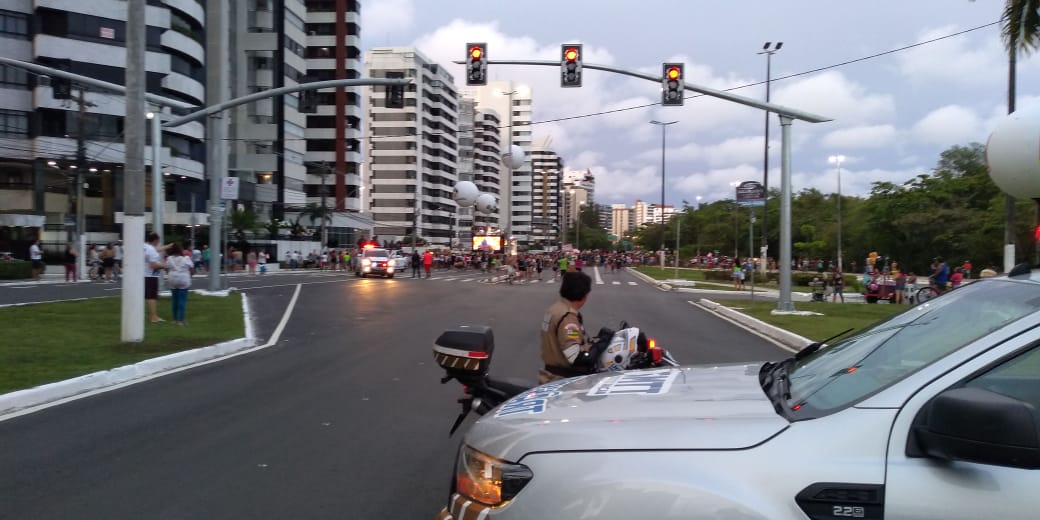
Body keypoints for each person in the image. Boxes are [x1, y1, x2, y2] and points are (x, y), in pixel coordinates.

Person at [539, 271, 594, 384]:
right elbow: (575, 356)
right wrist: (599, 348)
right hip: (564, 382)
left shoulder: (555, 309)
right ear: (584, 296)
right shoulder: (568, 318)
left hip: (550, 376)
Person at [165, 242, 193, 326]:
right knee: (182, 300)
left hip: (172, 279)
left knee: (175, 300)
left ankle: (174, 319)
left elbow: (166, 268)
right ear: (181, 249)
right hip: (183, 279)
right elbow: (191, 267)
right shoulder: (186, 258)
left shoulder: (169, 258)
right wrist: (190, 275)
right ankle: (181, 320)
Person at [144, 232, 168, 323]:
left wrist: (167, 246)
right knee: (152, 297)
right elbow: (153, 266)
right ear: (155, 240)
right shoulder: (151, 249)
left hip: (145, 275)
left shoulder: (145, 246)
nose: (158, 243)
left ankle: (153, 316)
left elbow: (156, 249)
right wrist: (164, 266)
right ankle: (154, 317)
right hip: (151, 276)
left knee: (149, 296)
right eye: (158, 241)